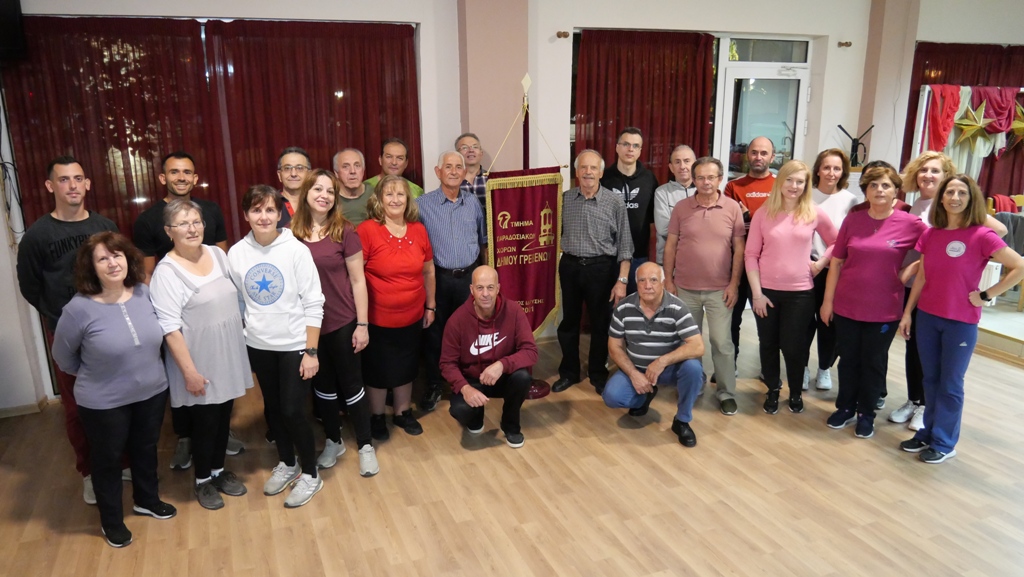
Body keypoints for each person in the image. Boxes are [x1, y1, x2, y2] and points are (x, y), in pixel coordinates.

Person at [51, 232, 175, 547]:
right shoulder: (78, 309)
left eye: (117, 255)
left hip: (151, 391)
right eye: (103, 258)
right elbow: (63, 357)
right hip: (104, 401)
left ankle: (147, 500)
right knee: (107, 460)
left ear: (128, 259)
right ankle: (112, 521)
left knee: (145, 448)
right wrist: (101, 374)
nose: (112, 263)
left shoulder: (143, 293)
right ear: (90, 267)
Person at [897, 174, 1024, 464]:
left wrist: (987, 294)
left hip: (960, 322)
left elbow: (1019, 266)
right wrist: (907, 313)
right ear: (941, 198)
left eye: (962, 193)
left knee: (950, 383)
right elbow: (922, 276)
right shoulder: (932, 234)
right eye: (950, 192)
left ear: (971, 199)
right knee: (930, 379)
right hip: (928, 317)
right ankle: (927, 432)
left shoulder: (982, 235)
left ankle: (944, 442)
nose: (955, 197)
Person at [16, 155, 119, 505]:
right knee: (78, 407)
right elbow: (30, 287)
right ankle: (90, 472)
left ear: (87, 184)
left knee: (118, 400)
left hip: (110, 328)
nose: (72, 185)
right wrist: (60, 319)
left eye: (78, 178)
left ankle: (122, 462)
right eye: (63, 179)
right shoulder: (37, 236)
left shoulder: (105, 225)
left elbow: (118, 271)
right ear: (50, 186)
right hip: (67, 334)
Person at [132, 151, 237, 470]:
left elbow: (222, 267)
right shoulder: (148, 221)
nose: (181, 177)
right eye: (174, 172)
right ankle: (187, 440)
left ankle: (217, 444)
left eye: (187, 172)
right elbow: (147, 275)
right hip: (179, 316)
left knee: (218, 394)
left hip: (214, 320)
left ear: (195, 178)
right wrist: (163, 321)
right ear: (163, 177)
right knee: (188, 384)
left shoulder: (211, 211)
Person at [889, 152, 1007, 429]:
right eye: (923, 170)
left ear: (946, 176)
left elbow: (999, 231)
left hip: (945, 295)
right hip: (917, 291)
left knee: (941, 367)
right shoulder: (917, 205)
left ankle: (928, 411)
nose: (928, 175)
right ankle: (915, 401)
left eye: (935, 171)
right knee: (914, 351)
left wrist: (967, 259)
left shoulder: (957, 206)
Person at [149, 200, 253, 509]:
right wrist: (189, 372)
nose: (192, 229)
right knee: (205, 423)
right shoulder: (166, 273)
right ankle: (203, 480)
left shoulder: (217, 254)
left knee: (223, 418)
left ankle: (219, 472)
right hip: (198, 359)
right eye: (183, 224)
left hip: (227, 352)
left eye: (196, 222)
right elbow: (169, 329)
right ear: (169, 231)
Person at [227, 184, 326, 508]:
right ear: (246, 215)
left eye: (270, 209)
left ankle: (310, 473)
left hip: (295, 344)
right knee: (273, 409)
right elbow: (239, 301)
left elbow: (314, 302)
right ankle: (287, 462)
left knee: (293, 410)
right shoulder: (237, 253)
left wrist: (311, 351)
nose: (264, 216)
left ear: (280, 213)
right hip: (259, 345)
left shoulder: (295, 250)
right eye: (256, 210)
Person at [819, 166, 926, 439]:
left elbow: (934, 248)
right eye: (874, 185)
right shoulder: (853, 221)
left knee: (873, 363)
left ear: (896, 191)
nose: (880, 190)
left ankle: (866, 414)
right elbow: (836, 263)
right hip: (847, 305)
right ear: (865, 191)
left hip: (885, 309)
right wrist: (827, 302)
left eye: (886, 185)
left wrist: (910, 269)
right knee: (848, 360)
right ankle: (845, 408)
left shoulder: (910, 223)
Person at [291, 169, 379, 476]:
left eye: (330, 191)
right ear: (306, 192)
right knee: (323, 387)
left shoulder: (345, 230)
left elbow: (358, 280)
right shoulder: (290, 234)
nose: (324, 195)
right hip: (308, 327)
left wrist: (363, 325)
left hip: (342, 321)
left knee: (352, 385)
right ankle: (333, 440)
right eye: (318, 189)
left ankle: (365, 445)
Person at [745, 160, 838, 415]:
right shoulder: (764, 213)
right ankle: (773, 389)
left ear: (806, 185)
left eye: (800, 181)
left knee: (793, 346)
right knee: (768, 344)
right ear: (780, 181)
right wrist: (757, 294)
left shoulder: (813, 212)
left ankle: (795, 391)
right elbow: (751, 255)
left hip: (800, 293)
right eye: (789, 180)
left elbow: (837, 242)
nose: (794, 186)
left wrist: (820, 264)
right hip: (766, 292)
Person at [663, 157, 745, 415]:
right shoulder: (681, 208)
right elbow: (671, 245)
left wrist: (734, 284)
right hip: (685, 288)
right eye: (700, 177)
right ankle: (694, 383)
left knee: (722, 342)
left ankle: (726, 392)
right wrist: (668, 280)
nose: (706, 182)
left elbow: (739, 250)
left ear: (720, 179)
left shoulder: (732, 208)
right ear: (694, 180)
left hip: (720, 290)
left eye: (711, 177)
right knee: (689, 341)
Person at [357, 175, 436, 439]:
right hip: (377, 318)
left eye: (400, 194)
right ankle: (377, 416)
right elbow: (356, 276)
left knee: (407, 365)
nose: (395, 199)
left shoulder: (418, 229)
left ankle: (403, 412)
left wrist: (430, 306)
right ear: (379, 200)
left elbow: (428, 271)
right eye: (389, 194)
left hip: (413, 315)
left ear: (408, 199)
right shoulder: (367, 230)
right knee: (377, 369)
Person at [552, 149, 634, 395]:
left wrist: (621, 281)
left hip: (602, 269)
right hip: (570, 267)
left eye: (593, 168)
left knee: (601, 323)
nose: (588, 172)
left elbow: (625, 245)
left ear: (601, 172)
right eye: (583, 168)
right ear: (576, 172)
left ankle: (598, 373)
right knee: (569, 322)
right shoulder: (564, 199)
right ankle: (569, 372)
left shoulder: (614, 202)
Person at [603, 262, 705, 447]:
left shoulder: (677, 307)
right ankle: (644, 395)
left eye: (653, 280)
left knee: (693, 368)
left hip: (668, 369)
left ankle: (682, 420)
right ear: (636, 283)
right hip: (637, 368)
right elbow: (614, 346)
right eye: (642, 280)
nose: (647, 286)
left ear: (663, 283)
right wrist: (634, 374)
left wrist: (661, 362)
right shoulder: (624, 307)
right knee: (612, 396)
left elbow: (698, 347)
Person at [416, 151, 488, 412]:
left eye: (459, 167)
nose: (454, 171)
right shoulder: (421, 205)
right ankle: (435, 384)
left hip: (469, 278)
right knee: (435, 334)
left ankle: (467, 383)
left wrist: (485, 276)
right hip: (437, 279)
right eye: (448, 167)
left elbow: (483, 241)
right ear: (438, 172)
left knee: (469, 333)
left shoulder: (473, 203)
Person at [441, 266, 538, 448]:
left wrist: (502, 364)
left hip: (502, 376)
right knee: (460, 409)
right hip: (472, 380)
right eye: (480, 288)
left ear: (498, 288)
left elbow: (531, 351)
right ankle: (475, 418)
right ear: (471, 290)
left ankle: (510, 425)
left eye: (490, 287)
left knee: (522, 378)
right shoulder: (457, 320)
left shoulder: (514, 311)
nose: (485, 294)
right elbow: (447, 363)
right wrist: (465, 388)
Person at [803, 148, 858, 392]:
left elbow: (848, 239)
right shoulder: (806, 195)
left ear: (843, 172)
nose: (831, 173)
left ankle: (824, 368)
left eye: (837, 168)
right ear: (818, 170)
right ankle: (802, 367)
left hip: (835, 269)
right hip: (806, 268)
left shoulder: (851, 200)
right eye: (826, 167)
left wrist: (825, 263)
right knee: (804, 323)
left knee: (829, 322)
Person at [724, 136, 776, 365]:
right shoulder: (733, 186)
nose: (758, 157)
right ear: (747, 156)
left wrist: (749, 215)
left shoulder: (780, 186)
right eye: (754, 152)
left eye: (764, 153)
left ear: (772, 157)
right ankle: (730, 365)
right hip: (737, 261)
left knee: (767, 321)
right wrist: (763, 216)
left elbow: (781, 223)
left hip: (768, 264)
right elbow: (729, 221)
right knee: (732, 318)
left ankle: (767, 368)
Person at [600, 127, 658, 294]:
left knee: (636, 306)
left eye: (635, 145)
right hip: (607, 256)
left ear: (640, 150)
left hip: (638, 256)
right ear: (617, 147)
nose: (630, 149)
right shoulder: (604, 178)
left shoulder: (649, 179)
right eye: (626, 144)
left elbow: (653, 222)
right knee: (606, 306)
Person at [653, 145, 697, 265]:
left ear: (695, 165)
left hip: (698, 260)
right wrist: (697, 229)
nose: (682, 166)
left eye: (687, 161)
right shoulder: (662, 192)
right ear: (671, 167)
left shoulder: (704, 191)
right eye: (677, 162)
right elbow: (663, 229)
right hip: (669, 261)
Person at [333, 148, 374, 226]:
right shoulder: (330, 198)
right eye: (345, 167)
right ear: (336, 173)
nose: (352, 171)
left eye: (357, 166)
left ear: (363, 170)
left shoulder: (375, 194)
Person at [276, 146, 312, 228]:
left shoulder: (318, 203)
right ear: (279, 175)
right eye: (287, 168)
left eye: (300, 168)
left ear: (309, 174)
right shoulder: (270, 203)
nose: (293, 174)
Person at [456, 132, 488, 211]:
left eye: (475, 147)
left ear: (481, 153)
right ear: (457, 154)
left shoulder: (491, 179)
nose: (471, 150)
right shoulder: (452, 180)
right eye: (464, 147)